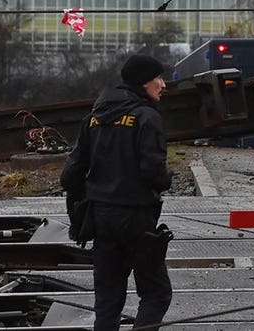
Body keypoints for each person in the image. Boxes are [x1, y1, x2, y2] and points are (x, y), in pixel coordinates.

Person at [61, 54, 173, 331]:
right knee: (156, 292)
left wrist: (83, 204)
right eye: (160, 78)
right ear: (145, 83)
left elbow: (70, 176)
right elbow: (153, 172)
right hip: (137, 218)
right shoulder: (147, 117)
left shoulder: (94, 119)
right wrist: (166, 180)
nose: (164, 85)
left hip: (101, 218)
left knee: (108, 299)